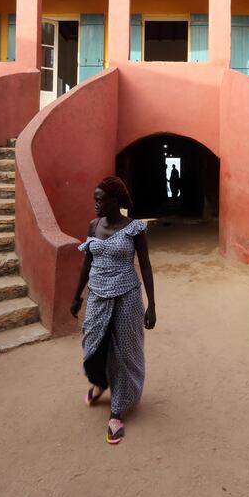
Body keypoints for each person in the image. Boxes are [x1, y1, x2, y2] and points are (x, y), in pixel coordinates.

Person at [70, 176, 156, 445]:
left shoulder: (134, 228)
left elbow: (145, 265)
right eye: (94, 199)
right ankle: (100, 382)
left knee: (124, 351)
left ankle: (117, 410)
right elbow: (87, 263)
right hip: (97, 294)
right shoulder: (93, 226)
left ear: (115, 202)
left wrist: (151, 304)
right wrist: (76, 296)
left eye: (100, 200)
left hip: (127, 296)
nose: (95, 204)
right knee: (94, 343)